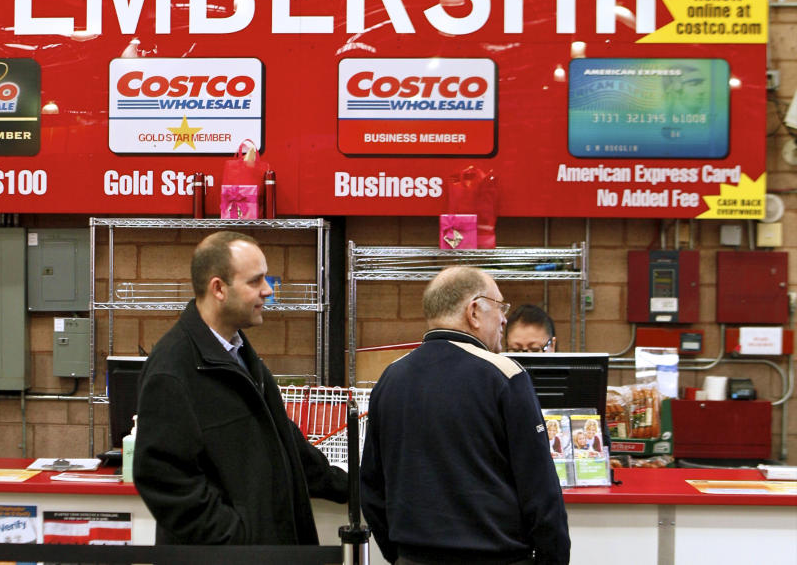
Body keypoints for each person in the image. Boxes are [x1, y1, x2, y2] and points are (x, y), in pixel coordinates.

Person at [132, 231, 347, 545]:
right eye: (255, 281)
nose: (267, 291)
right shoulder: (173, 369)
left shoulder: (239, 356)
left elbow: (283, 441)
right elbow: (164, 480)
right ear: (218, 288)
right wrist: (237, 537)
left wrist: (349, 485)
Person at [360, 266, 571, 565]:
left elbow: (371, 488)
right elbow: (541, 493)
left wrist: (401, 556)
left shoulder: (390, 378)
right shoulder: (505, 376)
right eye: (500, 307)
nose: (504, 319)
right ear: (474, 312)